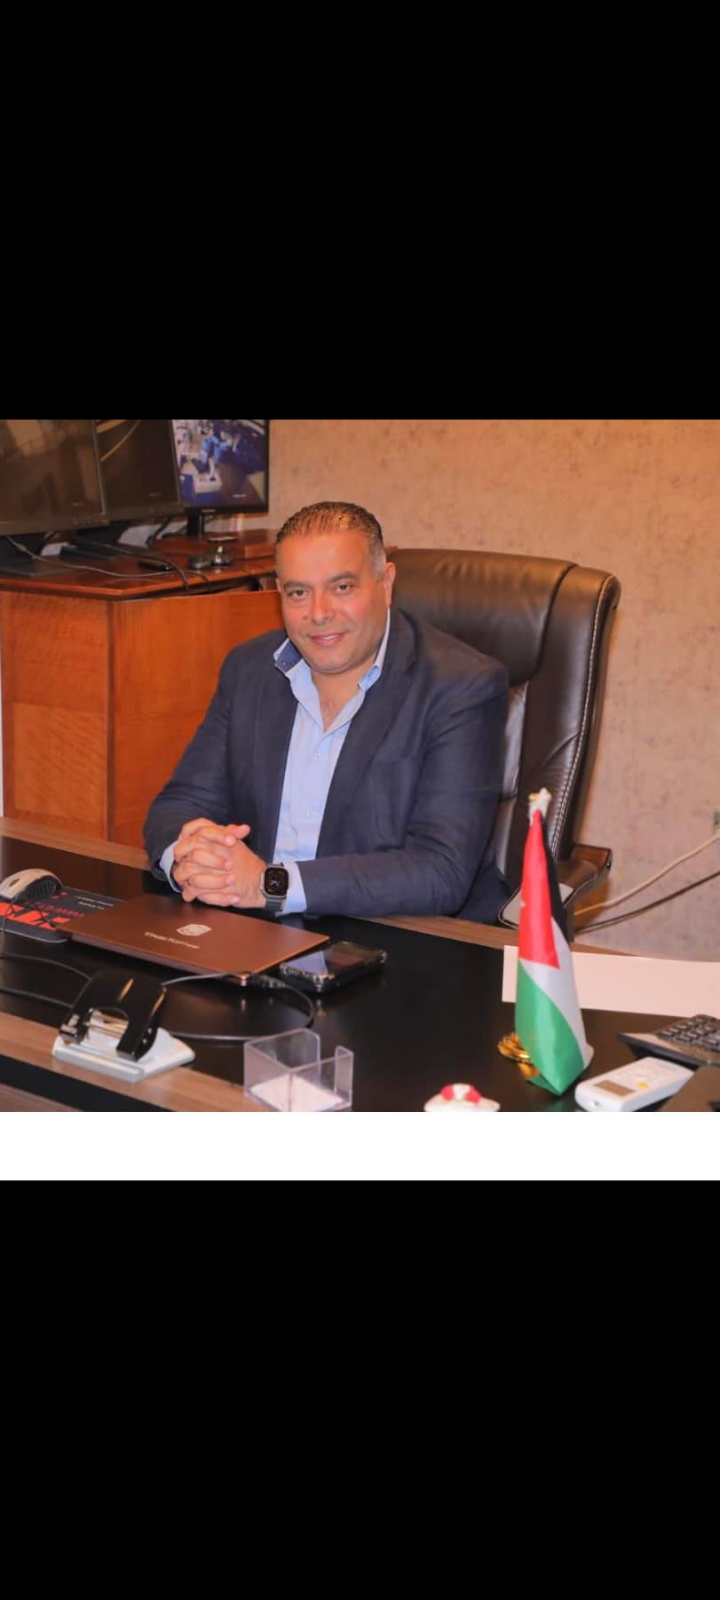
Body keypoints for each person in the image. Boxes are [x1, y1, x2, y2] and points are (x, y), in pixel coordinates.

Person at [144, 502, 509, 922]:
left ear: (386, 583)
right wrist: (189, 858)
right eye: (298, 592)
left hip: (396, 936)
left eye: (342, 587)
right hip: (258, 928)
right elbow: (180, 803)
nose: (318, 614)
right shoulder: (249, 670)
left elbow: (439, 871)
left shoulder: (460, 687)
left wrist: (268, 884)